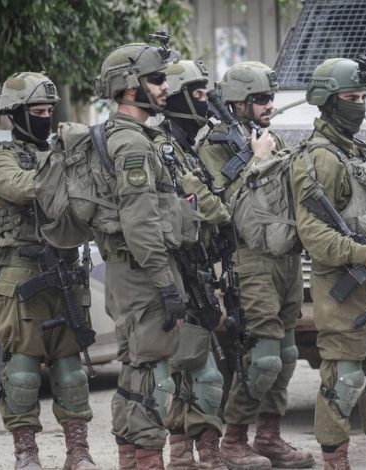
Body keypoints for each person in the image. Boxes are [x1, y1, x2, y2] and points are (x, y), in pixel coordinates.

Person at [289, 57, 366, 470]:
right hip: (342, 287)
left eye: (362, 97)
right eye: (350, 98)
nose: (359, 106)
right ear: (328, 101)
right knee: (344, 379)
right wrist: (363, 255)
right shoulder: (320, 158)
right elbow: (313, 234)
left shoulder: (357, 150)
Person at [198, 61, 315, 470]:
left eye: (270, 97)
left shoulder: (270, 138)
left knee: (286, 354)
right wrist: (255, 160)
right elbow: (220, 207)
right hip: (249, 258)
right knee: (263, 358)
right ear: (237, 103)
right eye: (261, 99)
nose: (270, 105)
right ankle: (233, 439)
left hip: (285, 257)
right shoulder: (213, 145)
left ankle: (269, 436)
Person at [91, 42, 196, 470]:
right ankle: (148, 460)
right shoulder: (132, 145)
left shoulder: (127, 136)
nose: (165, 86)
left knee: (136, 371)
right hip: (145, 273)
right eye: (156, 79)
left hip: (131, 271)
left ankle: (133, 460)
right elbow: (140, 224)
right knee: (152, 375)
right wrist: (167, 285)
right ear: (129, 86)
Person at [0, 72, 97, 470]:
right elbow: (23, 187)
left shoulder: (59, 156)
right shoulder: (2, 158)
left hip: (65, 271)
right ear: (16, 114)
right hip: (22, 275)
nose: (46, 118)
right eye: (37, 112)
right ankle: (26, 453)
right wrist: (61, 160)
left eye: (50, 110)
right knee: (23, 372)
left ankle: (78, 451)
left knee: (71, 370)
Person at [152, 58, 233, 470]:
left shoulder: (187, 148)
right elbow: (209, 207)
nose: (204, 103)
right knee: (189, 371)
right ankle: (187, 452)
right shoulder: (161, 146)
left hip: (196, 267)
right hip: (172, 271)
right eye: (198, 95)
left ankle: (194, 453)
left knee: (197, 369)